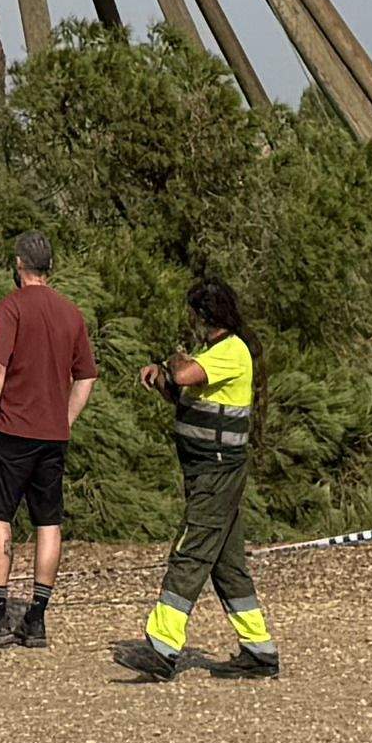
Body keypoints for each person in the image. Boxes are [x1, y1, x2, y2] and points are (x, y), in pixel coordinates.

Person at [119, 274, 273, 681]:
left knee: (189, 553)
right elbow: (185, 394)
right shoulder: (213, 355)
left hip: (217, 472)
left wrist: (173, 362)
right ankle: (259, 651)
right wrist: (162, 381)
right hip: (208, 470)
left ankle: (163, 647)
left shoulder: (230, 351)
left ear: (205, 315)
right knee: (227, 565)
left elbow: (186, 375)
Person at [0, 233, 95, 649]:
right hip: (52, 436)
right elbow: (87, 375)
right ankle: (37, 617)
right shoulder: (71, 312)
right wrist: (66, 418)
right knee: (48, 521)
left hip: (12, 430)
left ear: (20, 264)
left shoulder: (13, 306)